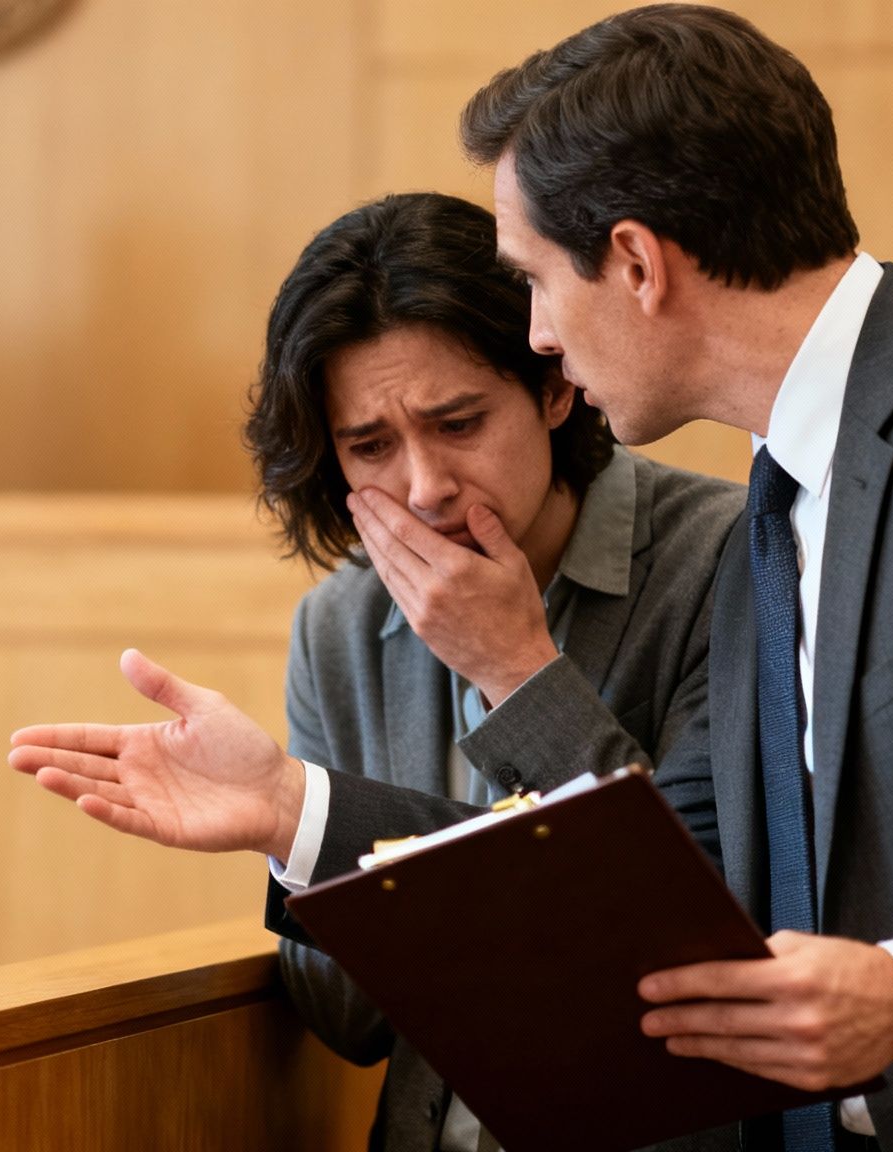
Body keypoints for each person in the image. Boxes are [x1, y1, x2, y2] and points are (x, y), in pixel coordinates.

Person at [11, 6, 893, 1149]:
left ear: (633, 260)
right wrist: (295, 811)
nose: (537, 333)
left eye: (528, 281)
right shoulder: (779, 509)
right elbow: (666, 876)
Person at [249, 191, 742, 1151]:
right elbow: (348, 1023)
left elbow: (702, 939)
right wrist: (290, 822)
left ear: (554, 387)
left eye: (460, 424)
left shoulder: (725, 564)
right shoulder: (339, 627)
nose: (424, 487)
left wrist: (517, 671)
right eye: (372, 447)